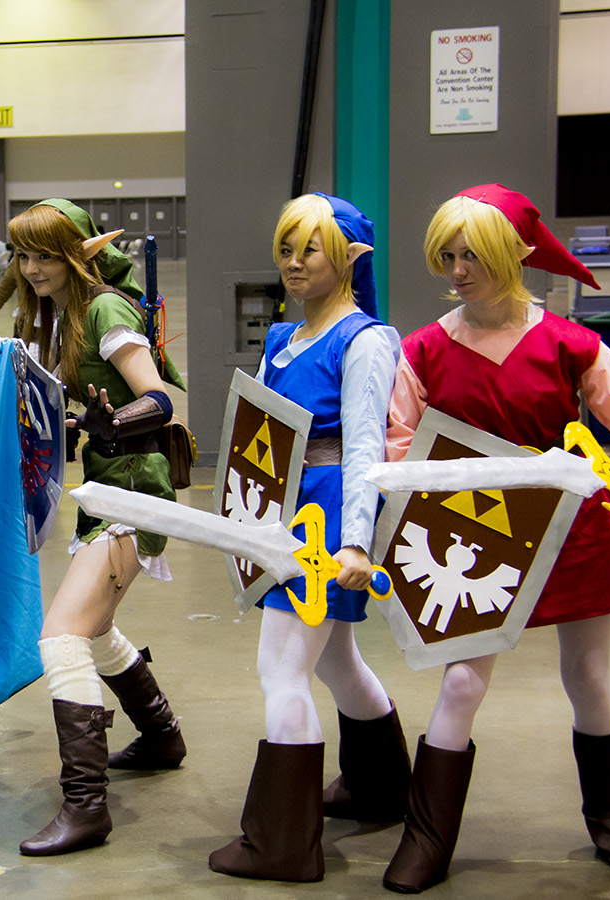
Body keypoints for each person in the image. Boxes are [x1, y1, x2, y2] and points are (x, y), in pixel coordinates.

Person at [382, 184, 610, 893]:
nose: (457, 270)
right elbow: (397, 448)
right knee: (462, 683)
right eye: (447, 255)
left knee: (589, 677)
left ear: (514, 254)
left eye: (473, 255)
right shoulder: (423, 350)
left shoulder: (569, 342)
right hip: (474, 539)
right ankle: (426, 838)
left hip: (572, 529)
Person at [208, 193, 406, 882]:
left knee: (283, 670)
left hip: (326, 520)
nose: (293, 263)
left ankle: (284, 844)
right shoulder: (281, 339)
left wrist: (356, 543)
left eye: (309, 249)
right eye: (286, 249)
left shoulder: (365, 340)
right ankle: (381, 785)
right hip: (280, 511)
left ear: (350, 257)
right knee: (335, 661)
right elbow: (259, 433)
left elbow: (366, 448)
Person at [5, 199, 187, 856]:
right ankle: (161, 736)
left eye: (46, 255)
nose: (32, 269)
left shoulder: (106, 309)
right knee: (97, 627)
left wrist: (115, 421)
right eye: (24, 256)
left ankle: (86, 805)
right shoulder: (62, 314)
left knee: (62, 637)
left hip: (134, 487)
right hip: (104, 484)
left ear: (77, 255)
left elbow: (160, 398)